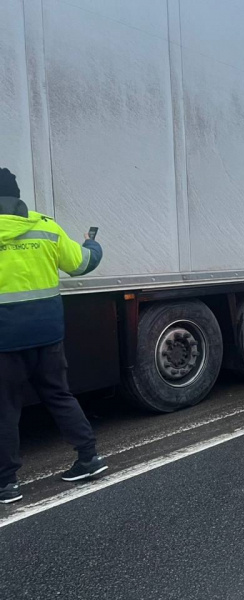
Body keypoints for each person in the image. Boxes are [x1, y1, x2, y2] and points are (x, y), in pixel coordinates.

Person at [0, 167, 106, 505]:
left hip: (4, 341)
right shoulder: (46, 227)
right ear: (18, 196)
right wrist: (92, 244)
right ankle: (89, 458)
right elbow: (81, 264)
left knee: (5, 409)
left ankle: (7, 484)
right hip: (47, 335)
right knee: (59, 395)